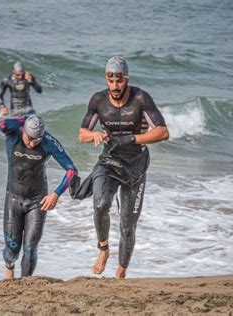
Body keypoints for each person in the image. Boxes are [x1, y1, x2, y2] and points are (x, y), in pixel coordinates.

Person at [78, 56, 169, 278]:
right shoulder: (98, 100)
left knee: (128, 225)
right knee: (100, 204)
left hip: (135, 167)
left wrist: (131, 139)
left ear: (125, 78)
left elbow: (162, 132)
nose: (115, 86)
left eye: (119, 81)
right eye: (111, 81)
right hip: (109, 161)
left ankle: (120, 273)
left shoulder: (140, 99)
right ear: (106, 79)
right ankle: (103, 249)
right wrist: (95, 134)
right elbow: (82, 134)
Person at [0, 115, 77, 279]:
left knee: (30, 248)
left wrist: (56, 194)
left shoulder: (48, 142)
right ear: (23, 131)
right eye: (30, 138)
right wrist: (26, 120)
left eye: (37, 139)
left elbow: (71, 170)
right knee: (12, 249)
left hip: (37, 201)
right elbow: (3, 123)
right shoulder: (13, 134)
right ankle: (9, 266)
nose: (33, 143)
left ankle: (25, 283)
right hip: (13, 198)